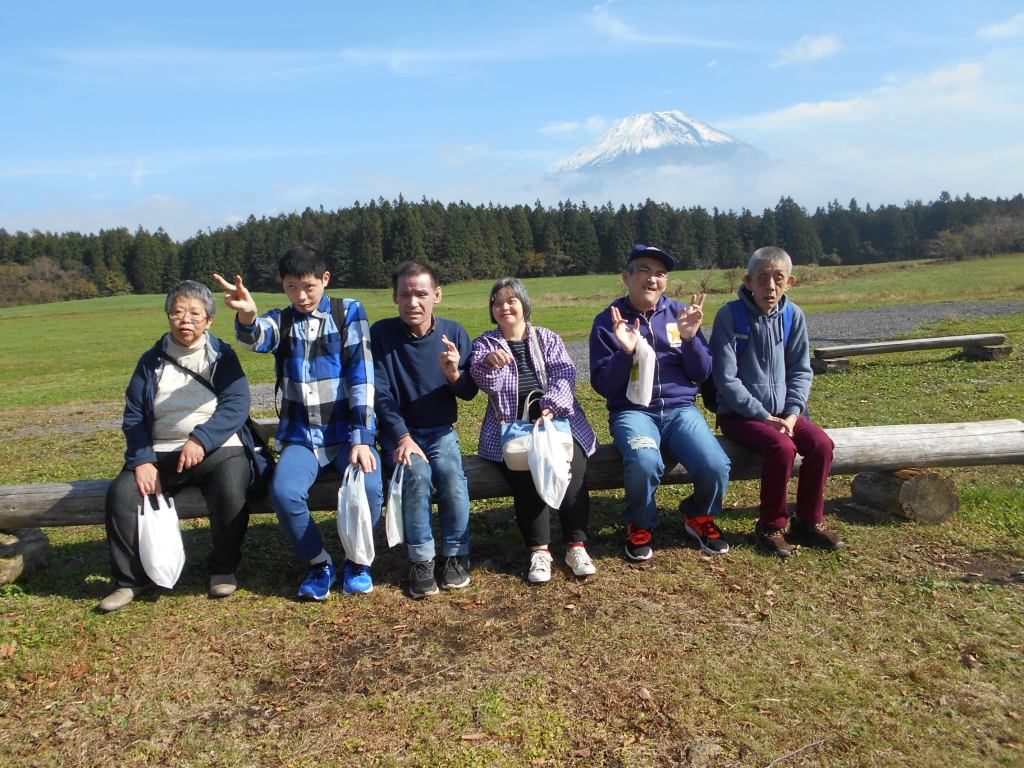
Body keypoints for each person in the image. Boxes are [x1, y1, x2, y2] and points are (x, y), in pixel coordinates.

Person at [213, 245, 383, 600]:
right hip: (302, 437)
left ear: (325, 279)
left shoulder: (348, 312)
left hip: (345, 434)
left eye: (308, 286)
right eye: (292, 287)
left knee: (369, 487)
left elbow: (362, 376)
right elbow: (258, 337)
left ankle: (357, 561)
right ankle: (319, 562)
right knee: (284, 492)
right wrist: (247, 316)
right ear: (283, 286)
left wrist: (362, 437)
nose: (302, 296)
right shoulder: (283, 320)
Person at [99, 280, 252, 613]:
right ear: (168, 316)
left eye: (195, 314)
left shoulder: (221, 356)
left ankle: (223, 567)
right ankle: (129, 581)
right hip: (161, 453)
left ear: (209, 320)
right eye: (178, 312)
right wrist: (142, 460)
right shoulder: (150, 361)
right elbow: (134, 415)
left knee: (232, 487)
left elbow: (237, 403)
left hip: (218, 449)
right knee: (121, 495)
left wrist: (202, 439)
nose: (186, 320)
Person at [590, 244, 731, 561]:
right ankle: (640, 524)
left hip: (681, 410)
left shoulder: (681, 314)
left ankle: (699, 516)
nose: (652, 279)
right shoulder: (608, 321)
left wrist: (691, 338)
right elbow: (604, 385)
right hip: (633, 412)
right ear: (626, 277)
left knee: (715, 464)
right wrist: (625, 353)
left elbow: (701, 373)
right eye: (644, 270)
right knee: (644, 462)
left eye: (660, 273)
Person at [709, 246, 842, 557]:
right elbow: (726, 379)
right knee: (782, 448)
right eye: (762, 278)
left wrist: (794, 413)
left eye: (778, 278)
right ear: (748, 281)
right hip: (740, 415)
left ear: (790, 282)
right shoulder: (730, 316)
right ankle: (770, 526)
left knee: (822, 445)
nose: (770, 286)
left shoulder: (793, 316)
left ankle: (807, 522)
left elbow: (801, 370)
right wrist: (761, 415)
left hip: (785, 413)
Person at [470, 277, 598, 584]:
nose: (504, 307)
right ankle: (539, 552)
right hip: (512, 427)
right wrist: (491, 364)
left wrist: (551, 406)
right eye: (497, 302)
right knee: (525, 474)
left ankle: (576, 546)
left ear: (524, 304)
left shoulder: (547, 337)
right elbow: (485, 383)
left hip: (558, 421)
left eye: (511, 300)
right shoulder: (485, 344)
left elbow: (565, 373)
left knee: (572, 468)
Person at [370, 260, 477, 598]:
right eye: (405, 295)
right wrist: (402, 436)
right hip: (400, 434)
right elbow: (380, 393)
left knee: (452, 476)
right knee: (416, 475)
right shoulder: (381, 334)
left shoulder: (454, 333)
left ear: (437, 295)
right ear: (395, 297)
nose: (413, 302)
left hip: (441, 430)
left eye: (421, 294)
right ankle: (421, 560)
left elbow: (469, 392)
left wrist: (454, 374)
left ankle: (456, 554)